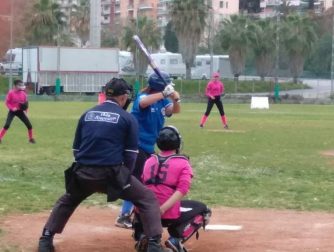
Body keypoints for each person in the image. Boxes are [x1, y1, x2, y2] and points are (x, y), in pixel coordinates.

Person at [38, 78, 166, 252]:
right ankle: (153, 245)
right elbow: (130, 155)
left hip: (82, 172)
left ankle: (46, 238)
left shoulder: (87, 114)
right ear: (122, 98)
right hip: (112, 174)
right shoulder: (128, 118)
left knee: (67, 200)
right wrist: (123, 178)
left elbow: (76, 149)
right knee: (147, 199)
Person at [115, 72, 181, 228]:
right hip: (135, 146)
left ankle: (135, 213)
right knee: (136, 180)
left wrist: (175, 99)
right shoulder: (143, 96)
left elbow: (174, 110)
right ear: (159, 86)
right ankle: (124, 216)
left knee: (142, 181)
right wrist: (164, 93)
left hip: (149, 147)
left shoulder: (163, 100)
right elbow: (143, 103)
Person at [132, 126, 211, 252]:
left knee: (140, 202)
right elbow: (182, 189)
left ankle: (141, 235)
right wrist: (162, 209)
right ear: (177, 143)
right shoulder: (183, 162)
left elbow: (141, 186)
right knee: (204, 210)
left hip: (146, 214)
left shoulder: (149, 160)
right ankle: (175, 239)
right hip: (168, 215)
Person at [0, 79, 35, 144]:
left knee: (29, 125)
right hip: (12, 111)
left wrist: (26, 112)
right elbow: (7, 103)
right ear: (15, 86)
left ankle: (31, 139)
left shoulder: (23, 94)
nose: (21, 86)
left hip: (20, 111)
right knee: (7, 125)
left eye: (21, 85)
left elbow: (25, 105)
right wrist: (12, 108)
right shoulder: (11, 93)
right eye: (19, 85)